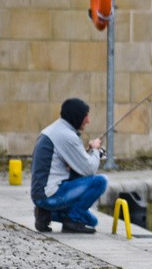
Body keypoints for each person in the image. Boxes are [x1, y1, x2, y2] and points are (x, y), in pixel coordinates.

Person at [31, 98, 108, 234]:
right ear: (77, 116)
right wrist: (96, 150)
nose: (88, 120)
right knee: (100, 182)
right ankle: (72, 220)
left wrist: (89, 152)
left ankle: (46, 214)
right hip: (50, 195)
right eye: (86, 116)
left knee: (92, 221)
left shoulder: (54, 129)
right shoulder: (67, 135)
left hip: (41, 194)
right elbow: (89, 169)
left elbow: (74, 166)